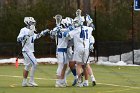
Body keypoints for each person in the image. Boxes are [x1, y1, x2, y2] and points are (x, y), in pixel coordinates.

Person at [17, 17, 49, 87]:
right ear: (27, 23)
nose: (33, 24)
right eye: (31, 22)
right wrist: (25, 36)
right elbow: (18, 39)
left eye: (33, 22)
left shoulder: (32, 30)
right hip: (26, 50)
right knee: (35, 63)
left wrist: (43, 32)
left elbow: (36, 36)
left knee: (27, 66)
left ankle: (24, 82)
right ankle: (31, 81)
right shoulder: (24, 30)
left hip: (30, 50)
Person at [65, 17, 94, 87]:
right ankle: (88, 81)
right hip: (85, 48)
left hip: (78, 49)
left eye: (76, 22)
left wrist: (67, 30)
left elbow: (66, 36)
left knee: (78, 65)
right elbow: (92, 28)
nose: (74, 24)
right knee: (84, 65)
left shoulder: (76, 30)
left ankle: (79, 81)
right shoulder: (87, 28)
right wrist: (90, 22)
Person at [50, 14, 69, 87]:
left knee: (64, 65)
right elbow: (52, 34)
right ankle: (57, 82)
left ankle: (62, 81)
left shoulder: (59, 29)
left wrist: (57, 29)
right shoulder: (63, 29)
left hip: (62, 50)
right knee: (61, 65)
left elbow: (51, 34)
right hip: (61, 50)